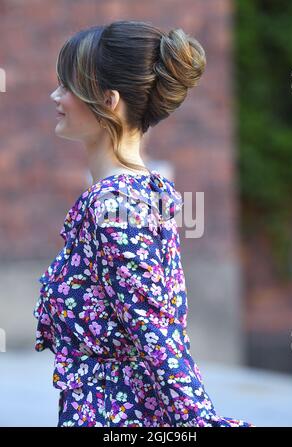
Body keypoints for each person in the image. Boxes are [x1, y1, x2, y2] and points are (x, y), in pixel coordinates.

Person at [33, 20, 255, 427]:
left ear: (108, 100)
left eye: (66, 85)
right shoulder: (138, 193)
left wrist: (200, 422)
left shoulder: (117, 204)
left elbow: (155, 333)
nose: (55, 96)